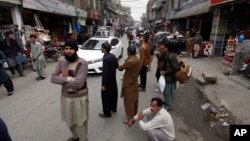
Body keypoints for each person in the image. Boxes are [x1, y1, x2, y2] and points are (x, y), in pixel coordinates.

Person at [51, 39, 89, 141]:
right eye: (66, 49)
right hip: (66, 97)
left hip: (79, 98)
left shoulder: (82, 63)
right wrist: (68, 78)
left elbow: (78, 84)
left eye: (71, 49)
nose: (68, 51)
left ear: (76, 50)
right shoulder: (62, 61)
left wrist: (61, 79)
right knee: (69, 120)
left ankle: (83, 139)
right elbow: (53, 78)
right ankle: (76, 137)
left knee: (80, 121)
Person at [118, 46, 140, 124]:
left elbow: (120, 68)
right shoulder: (137, 59)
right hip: (135, 82)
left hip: (129, 84)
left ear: (128, 52)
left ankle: (129, 119)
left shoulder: (130, 61)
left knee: (128, 102)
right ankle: (133, 115)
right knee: (134, 101)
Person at [99, 42, 119, 118]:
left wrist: (104, 84)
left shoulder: (105, 58)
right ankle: (113, 108)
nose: (101, 49)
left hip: (107, 81)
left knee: (105, 96)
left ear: (105, 49)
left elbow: (105, 73)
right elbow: (117, 66)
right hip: (113, 79)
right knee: (113, 94)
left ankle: (107, 113)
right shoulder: (113, 56)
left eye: (101, 47)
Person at [161, 39, 180, 111]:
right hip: (167, 78)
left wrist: (166, 72)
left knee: (169, 93)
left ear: (168, 48)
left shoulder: (172, 56)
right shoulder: (167, 54)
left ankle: (169, 106)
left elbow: (176, 68)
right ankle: (167, 104)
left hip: (170, 78)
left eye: (164, 46)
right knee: (166, 92)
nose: (163, 47)